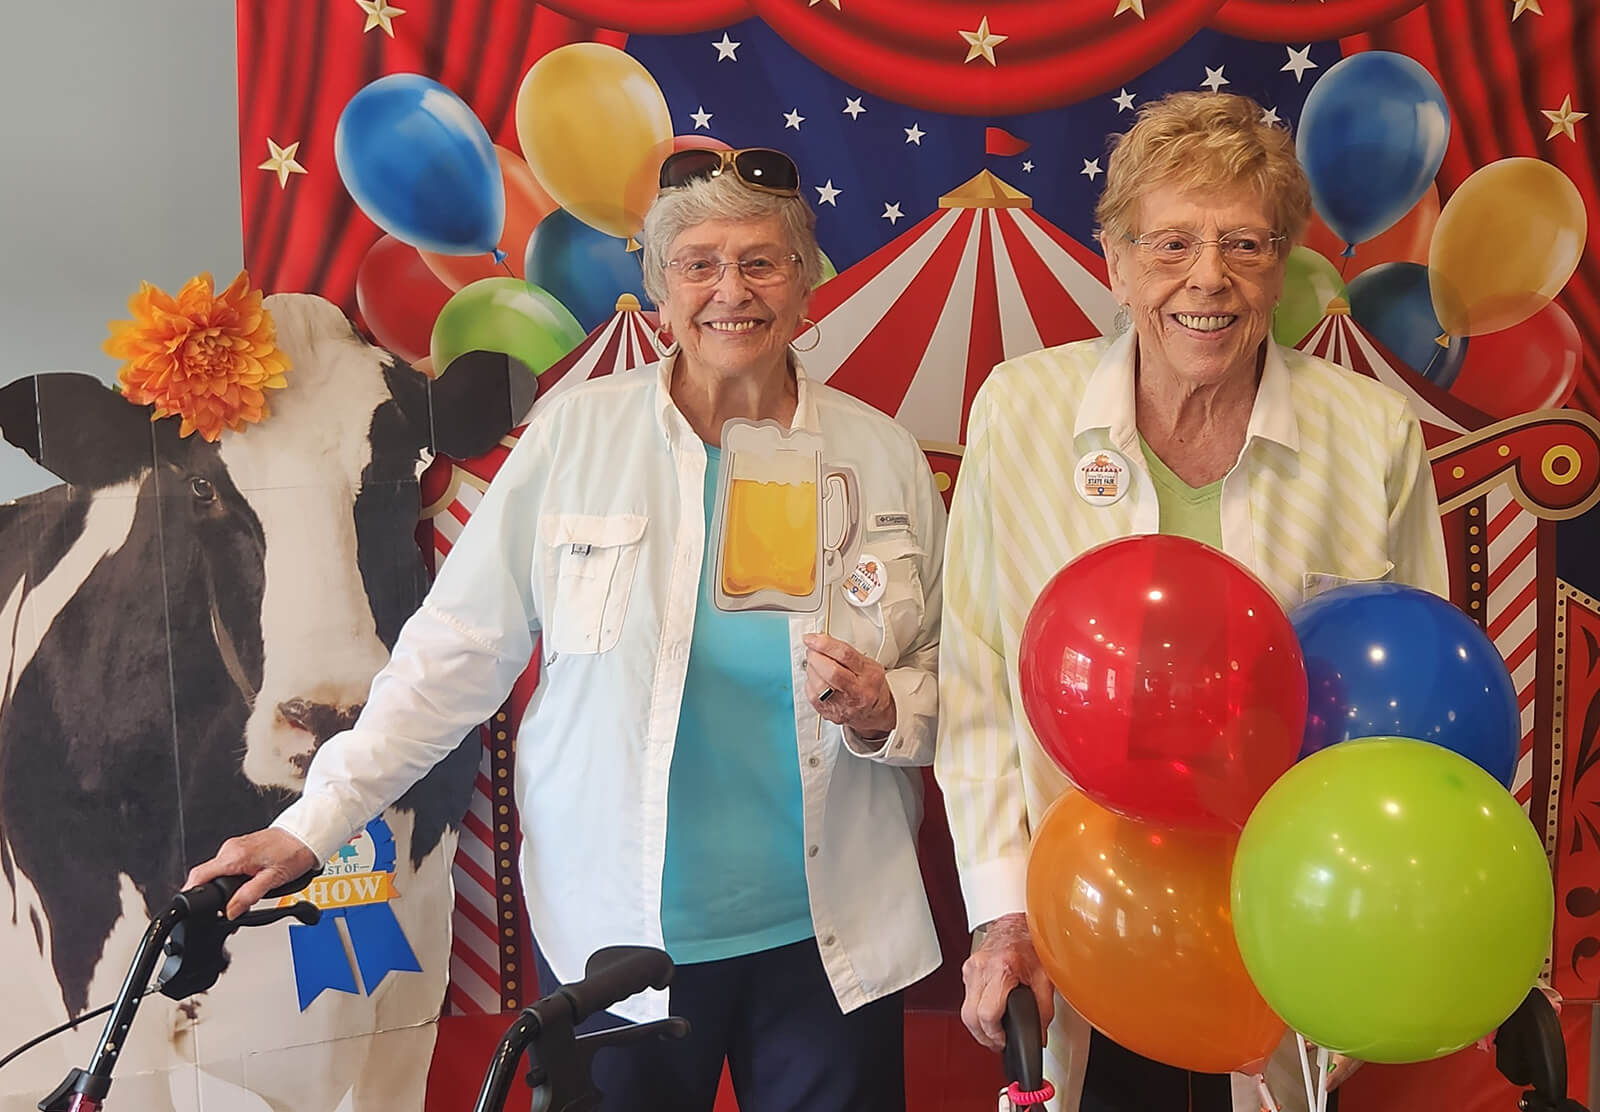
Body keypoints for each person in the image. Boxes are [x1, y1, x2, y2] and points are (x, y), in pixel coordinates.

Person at [188, 147, 947, 1111]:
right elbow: (451, 659)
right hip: (618, 939)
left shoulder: (880, 455)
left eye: (762, 261)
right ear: (659, 289)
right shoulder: (576, 435)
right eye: (699, 263)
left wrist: (888, 709)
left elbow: (953, 676)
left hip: (832, 940)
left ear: (805, 282)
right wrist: (312, 826)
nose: (732, 291)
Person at [935, 92, 1448, 1112]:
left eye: (1243, 244)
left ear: (1286, 263)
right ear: (1114, 263)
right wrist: (1005, 915)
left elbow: (1402, 712)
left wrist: (1355, 927)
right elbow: (980, 677)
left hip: (1289, 927)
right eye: (1169, 244)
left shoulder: (1371, 434)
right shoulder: (1021, 411)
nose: (1205, 279)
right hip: (1078, 919)